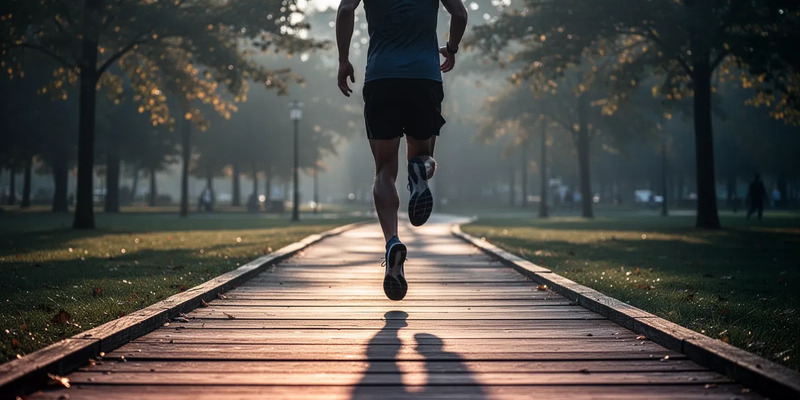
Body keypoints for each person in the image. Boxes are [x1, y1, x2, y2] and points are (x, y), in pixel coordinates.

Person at [336, 0, 468, 300]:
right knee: (423, 157)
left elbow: (345, 10)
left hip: (382, 77)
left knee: (384, 170)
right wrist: (451, 48)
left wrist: (343, 60)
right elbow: (459, 14)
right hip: (424, 76)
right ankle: (419, 174)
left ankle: (393, 242)